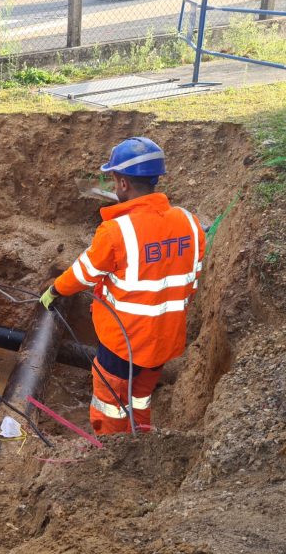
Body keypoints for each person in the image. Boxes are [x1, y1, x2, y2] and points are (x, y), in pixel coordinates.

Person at [39, 137, 205, 434]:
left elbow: (84, 273)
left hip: (123, 342)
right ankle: (138, 436)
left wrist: (55, 290)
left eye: (114, 180)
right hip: (165, 338)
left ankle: (110, 450)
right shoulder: (189, 222)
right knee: (140, 397)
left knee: (110, 402)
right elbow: (191, 278)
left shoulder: (117, 231)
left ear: (123, 183)